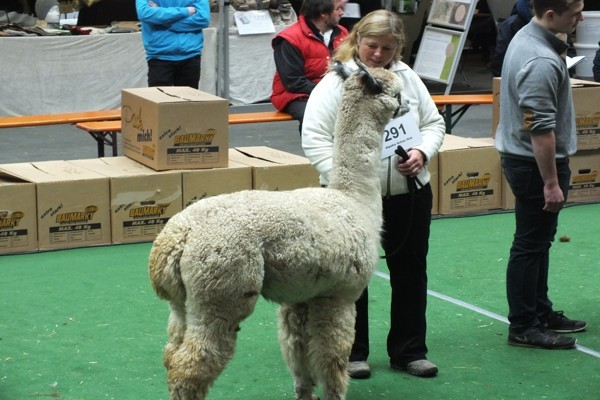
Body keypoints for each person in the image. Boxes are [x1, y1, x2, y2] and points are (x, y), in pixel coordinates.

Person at [302, 9, 445, 378]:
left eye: (387, 48)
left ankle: (410, 351)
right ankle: (352, 352)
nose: (379, 54)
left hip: (409, 194)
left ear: (398, 48)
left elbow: (433, 123)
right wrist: (350, 179)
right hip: (349, 200)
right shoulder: (334, 83)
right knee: (351, 277)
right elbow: (314, 138)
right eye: (372, 46)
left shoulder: (409, 78)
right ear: (357, 41)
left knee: (411, 271)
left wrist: (421, 152)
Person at [494, 0, 587, 350]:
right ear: (551, 15)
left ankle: (539, 312)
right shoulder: (540, 61)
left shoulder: (528, 36)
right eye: (575, 12)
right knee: (530, 245)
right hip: (535, 165)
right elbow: (541, 130)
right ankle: (524, 325)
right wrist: (551, 183)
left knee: (538, 241)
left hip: (524, 159)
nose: (581, 17)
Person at [271, 0, 348, 132]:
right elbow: (293, 83)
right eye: (338, 8)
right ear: (323, 13)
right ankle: (315, 145)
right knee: (314, 116)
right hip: (296, 95)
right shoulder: (290, 38)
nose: (342, 13)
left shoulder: (343, 33)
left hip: (334, 91)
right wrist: (329, 92)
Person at [489, 0, 576, 77]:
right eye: (575, 14)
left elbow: (570, 52)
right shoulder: (513, 24)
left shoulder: (556, 22)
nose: (581, 18)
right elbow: (499, 60)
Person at [136, 0, 210, 88]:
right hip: (159, 55)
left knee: (187, 97)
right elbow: (144, 13)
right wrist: (185, 11)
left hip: (190, 55)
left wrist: (163, 18)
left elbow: (203, 19)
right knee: (159, 96)